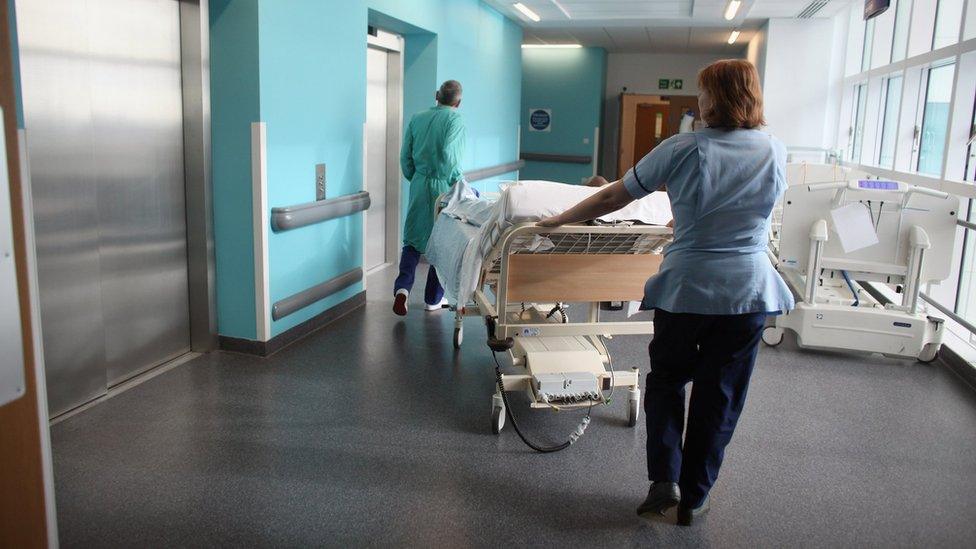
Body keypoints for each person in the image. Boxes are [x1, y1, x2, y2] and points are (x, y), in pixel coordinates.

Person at [538, 59, 793, 526]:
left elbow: (615, 196)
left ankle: (664, 481)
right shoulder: (775, 151)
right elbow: (748, 210)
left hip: (688, 290)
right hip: (748, 291)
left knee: (669, 380)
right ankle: (696, 496)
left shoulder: (682, 147)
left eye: (702, 92)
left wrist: (558, 220)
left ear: (713, 98)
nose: (699, 101)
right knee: (721, 394)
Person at [393, 80, 466, 316]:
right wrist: (455, 182)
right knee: (440, 241)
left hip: (419, 182)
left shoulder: (417, 118)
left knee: (412, 239)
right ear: (458, 102)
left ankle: (402, 290)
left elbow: (405, 157)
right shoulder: (455, 119)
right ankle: (433, 299)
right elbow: (449, 156)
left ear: (437, 96)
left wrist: (416, 177)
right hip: (442, 185)